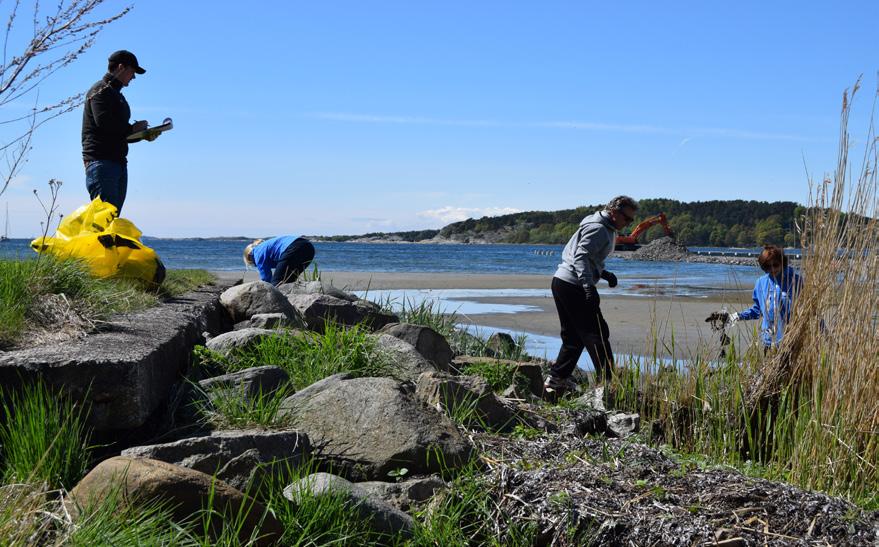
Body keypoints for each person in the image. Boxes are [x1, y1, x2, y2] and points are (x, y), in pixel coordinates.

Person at [544, 195, 638, 394]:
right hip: (573, 285)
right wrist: (588, 286)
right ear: (614, 212)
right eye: (627, 218)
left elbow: (586, 257)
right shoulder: (599, 228)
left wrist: (604, 274)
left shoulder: (602, 225)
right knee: (597, 334)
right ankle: (609, 384)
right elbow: (580, 257)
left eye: (631, 220)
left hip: (562, 282)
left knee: (573, 337)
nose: (629, 223)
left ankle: (556, 380)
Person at [81, 50, 159, 214]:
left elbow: (120, 134)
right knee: (105, 222)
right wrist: (132, 129)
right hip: (101, 163)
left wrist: (144, 135)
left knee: (112, 220)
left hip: (117, 163)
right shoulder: (100, 91)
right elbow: (104, 124)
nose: (134, 77)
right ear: (121, 67)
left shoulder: (117, 96)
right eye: (133, 71)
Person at [719, 245, 801, 348]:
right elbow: (758, 310)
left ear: (782, 262)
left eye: (775, 265)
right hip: (768, 341)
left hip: (792, 340)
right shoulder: (761, 283)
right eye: (767, 266)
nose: (772, 269)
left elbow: (810, 310)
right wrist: (736, 316)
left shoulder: (796, 281)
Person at [243, 236, 315, 285]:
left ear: (250, 255)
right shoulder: (265, 247)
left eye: (252, 262)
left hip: (293, 246)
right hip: (309, 247)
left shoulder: (256, 253)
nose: (255, 264)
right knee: (288, 281)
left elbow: (266, 280)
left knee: (276, 283)